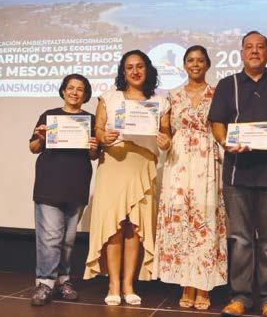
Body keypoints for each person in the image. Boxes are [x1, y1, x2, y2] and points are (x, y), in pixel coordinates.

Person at [208, 31, 267, 317]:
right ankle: (240, 297)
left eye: (260, 47)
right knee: (240, 239)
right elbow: (216, 122)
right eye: (249, 47)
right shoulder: (227, 85)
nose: (254, 51)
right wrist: (224, 142)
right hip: (237, 174)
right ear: (241, 52)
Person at [84, 50, 171, 306]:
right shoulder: (109, 97)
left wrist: (165, 140)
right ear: (123, 71)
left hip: (142, 165)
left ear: (148, 69)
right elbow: (98, 130)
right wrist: (104, 137)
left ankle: (128, 285)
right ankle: (113, 285)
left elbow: (166, 133)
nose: (135, 71)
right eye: (130, 67)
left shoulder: (160, 100)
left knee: (135, 226)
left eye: (140, 66)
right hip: (114, 163)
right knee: (114, 226)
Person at [153, 45, 227, 310]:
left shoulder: (218, 93)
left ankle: (203, 284)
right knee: (181, 219)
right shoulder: (172, 96)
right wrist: (163, 141)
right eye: (190, 60)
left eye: (200, 60)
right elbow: (165, 131)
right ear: (184, 65)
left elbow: (223, 127)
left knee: (204, 218)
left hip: (206, 158)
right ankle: (186, 282)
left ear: (207, 64)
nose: (195, 64)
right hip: (179, 161)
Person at [28, 74, 100, 306]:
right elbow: (33, 147)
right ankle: (44, 283)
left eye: (80, 89)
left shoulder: (90, 119)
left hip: (77, 184)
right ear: (63, 91)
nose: (74, 92)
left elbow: (94, 155)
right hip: (49, 184)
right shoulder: (49, 116)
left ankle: (62, 281)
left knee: (68, 240)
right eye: (70, 88)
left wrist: (94, 146)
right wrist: (41, 138)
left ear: (85, 95)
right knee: (50, 237)